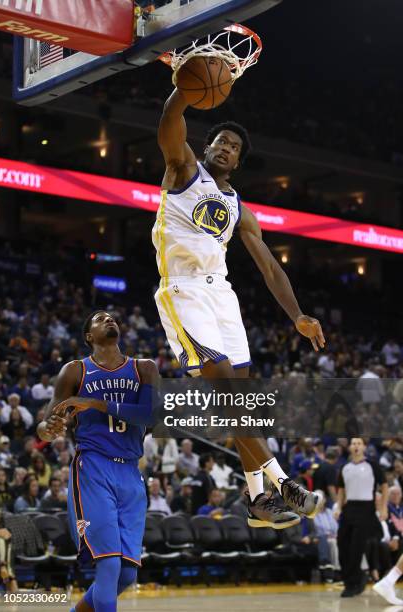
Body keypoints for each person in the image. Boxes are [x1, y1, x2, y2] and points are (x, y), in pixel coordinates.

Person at [152, 84, 325, 528]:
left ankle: (255, 500)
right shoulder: (183, 168)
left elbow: (270, 268)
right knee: (228, 392)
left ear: (239, 161)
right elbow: (170, 124)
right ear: (206, 145)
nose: (227, 149)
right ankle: (283, 481)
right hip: (184, 290)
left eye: (234, 148)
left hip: (222, 296)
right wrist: (182, 88)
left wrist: (298, 316)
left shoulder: (239, 208)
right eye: (222, 142)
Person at [37, 310, 158, 612]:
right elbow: (45, 424)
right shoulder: (75, 371)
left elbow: (150, 416)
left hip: (131, 473)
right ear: (89, 336)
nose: (109, 319)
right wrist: (49, 429)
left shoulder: (144, 368)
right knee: (108, 566)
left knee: (126, 573)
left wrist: (93, 403)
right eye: (100, 318)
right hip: (94, 468)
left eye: (112, 317)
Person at [336, 438, 388, 598]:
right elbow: (341, 490)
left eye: (359, 443)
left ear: (364, 447)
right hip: (349, 507)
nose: (356, 446)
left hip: (366, 508)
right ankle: (353, 578)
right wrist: (338, 507)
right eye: (353, 443)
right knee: (342, 542)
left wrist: (383, 507)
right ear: (350, 447)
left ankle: (353, 583)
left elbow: (384, 485)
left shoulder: (373, 466)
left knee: (356, 547)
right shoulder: (345, 467)